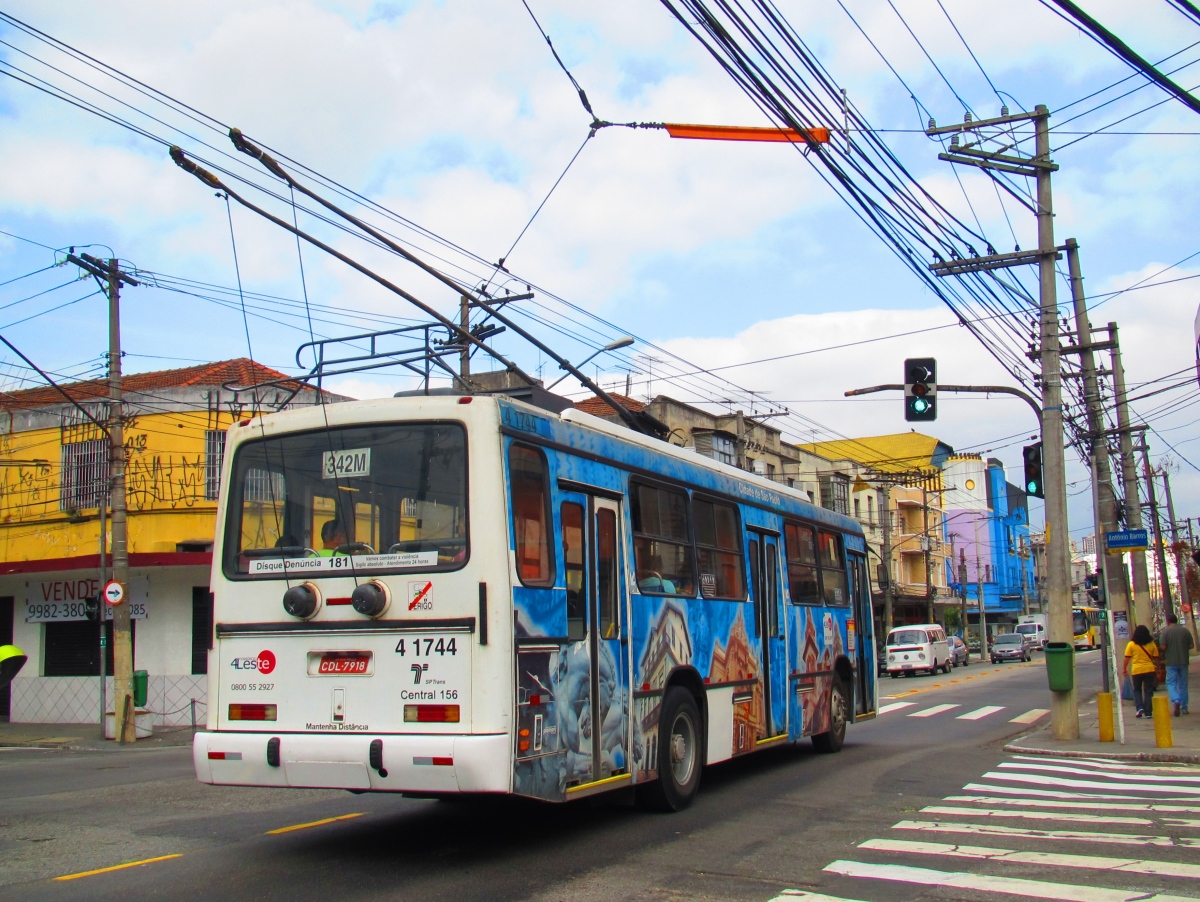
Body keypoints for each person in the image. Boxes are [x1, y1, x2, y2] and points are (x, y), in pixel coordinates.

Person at [1158, 612, 1195, 716]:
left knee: (1171, 682)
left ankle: (1176, 700)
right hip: (1183, 661)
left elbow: (1163, 647)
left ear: (1168, 621)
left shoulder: (1165, 632)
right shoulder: (1185, 631)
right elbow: (1191, 646)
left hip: (1171, 661)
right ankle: (1184, 707)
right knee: (1183, 683)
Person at [1123, 624, 1160, 718]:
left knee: (1137, 690)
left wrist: (1124, 669)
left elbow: (1127, 658)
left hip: (1137, 670)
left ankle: (1139, 708)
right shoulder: (1151, 644)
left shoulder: (1131, 644)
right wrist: (1158, 669)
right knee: (1148, 690)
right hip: (1149, 669)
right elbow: (1156, 657)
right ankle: (1148, 712)